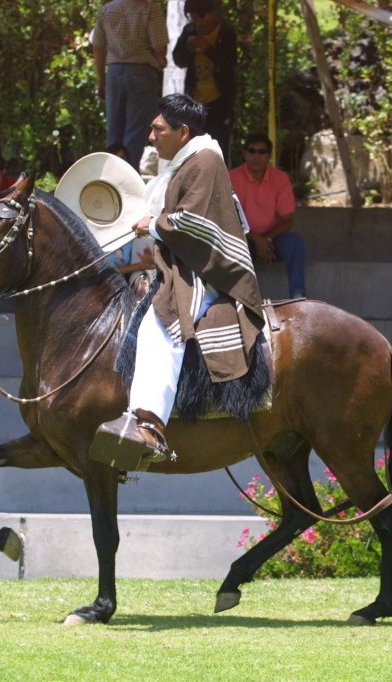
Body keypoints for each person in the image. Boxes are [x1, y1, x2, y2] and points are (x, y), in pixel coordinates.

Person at [93, 94, 265, 463]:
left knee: (162, 320)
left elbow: (194, 222)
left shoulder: (204, 161)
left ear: (182, 131)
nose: (151, 137)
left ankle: (149, 426)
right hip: (180, 261)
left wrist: (152, 225)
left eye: (158, 129)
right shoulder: (188, 160)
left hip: (207, 271)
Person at [93, 0, 168, 173]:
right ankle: (127, 179)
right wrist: (161, 60)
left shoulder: (107, 10)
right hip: (142, 73)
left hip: (114, 73)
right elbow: (160, 47)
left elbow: (98, 47)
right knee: (135, 131)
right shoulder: (150, 9)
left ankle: (109, 177)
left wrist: (101, 78)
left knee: (114, 132)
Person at [229, 133, 306, 298]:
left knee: (295, 243)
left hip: (273, 239)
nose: (256, 156)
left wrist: (267, 240)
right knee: (229, 246)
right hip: (244, 237)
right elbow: (230, 218)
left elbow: (287, 220)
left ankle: (298, 295)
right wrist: (256, 239)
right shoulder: (232, 178)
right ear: (244, 153)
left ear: (269, 155)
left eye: (262, 152)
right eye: (252, 151)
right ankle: (236, 298)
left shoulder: (280, 178)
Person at [172, 0, 237, 163]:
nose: (196, 20)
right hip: (194, 100)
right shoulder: (189, 30)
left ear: (212, 11)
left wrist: (208, 49)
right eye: (191, 15)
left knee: (217, 149)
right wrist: (188, 49)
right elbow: (178, 60)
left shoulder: (226, 32)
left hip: (219, 101)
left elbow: (230, 65)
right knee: (191, 150)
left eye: (200, 15)